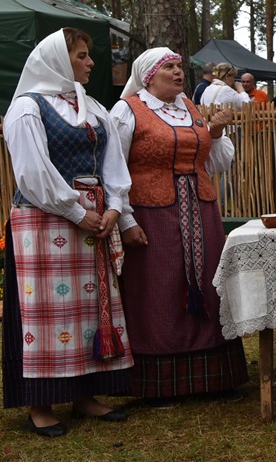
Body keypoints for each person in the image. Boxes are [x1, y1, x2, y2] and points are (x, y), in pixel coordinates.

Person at [2, 28, 133, 437]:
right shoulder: (27, 108)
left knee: (91, 310)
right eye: (81, 56)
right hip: (44, 223)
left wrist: (114, 206)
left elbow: (112, 162)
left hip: (92, 218)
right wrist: (77, 212)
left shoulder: (91, 106)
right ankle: (40, 405)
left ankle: (85, 394)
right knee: (45, 315)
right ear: (58, 60)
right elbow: (33, 173)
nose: (90, 63)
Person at [109, 48, 248, 406]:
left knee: (208, 283)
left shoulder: (189, 109)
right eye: (168, 67)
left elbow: (213, 164)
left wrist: (215, 133)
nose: (177, 73)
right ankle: (157, 385)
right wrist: (125, 219)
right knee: (158, 289)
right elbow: (113, 168)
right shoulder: (128, 111)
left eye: (178, 67)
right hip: (152, 213)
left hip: (201, 211)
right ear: (148, 76)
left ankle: (216, 378)